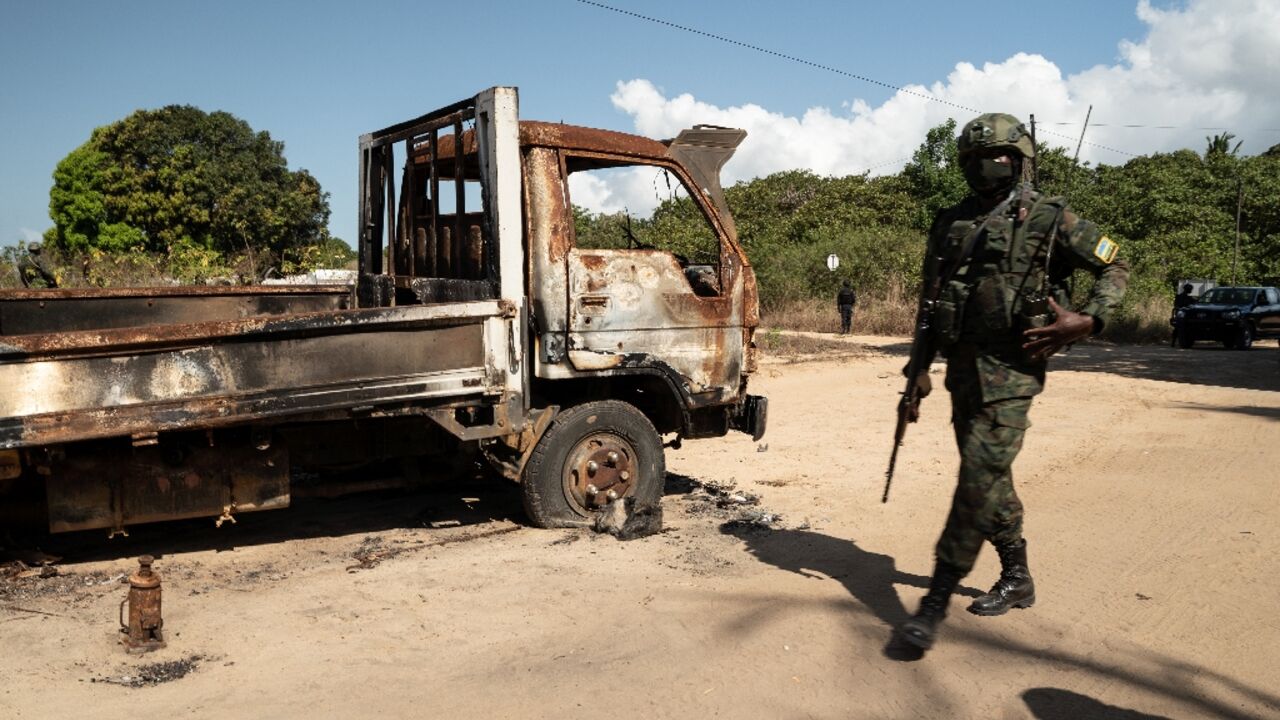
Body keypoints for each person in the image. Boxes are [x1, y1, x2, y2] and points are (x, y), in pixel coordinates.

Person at [896, 113, 1129, 652]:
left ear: (1020, 160)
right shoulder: (949, 222)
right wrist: (917, 372)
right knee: (989, 478)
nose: (985, 169)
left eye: (997, 159)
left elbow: (1116, 266)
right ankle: (1018, 576)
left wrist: (1090, 319)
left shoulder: (1051, 217)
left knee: (976, 478)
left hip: (1015, 371)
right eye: (974, 161)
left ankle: (934, 601)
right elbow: (930, 305)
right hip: (962, 371)